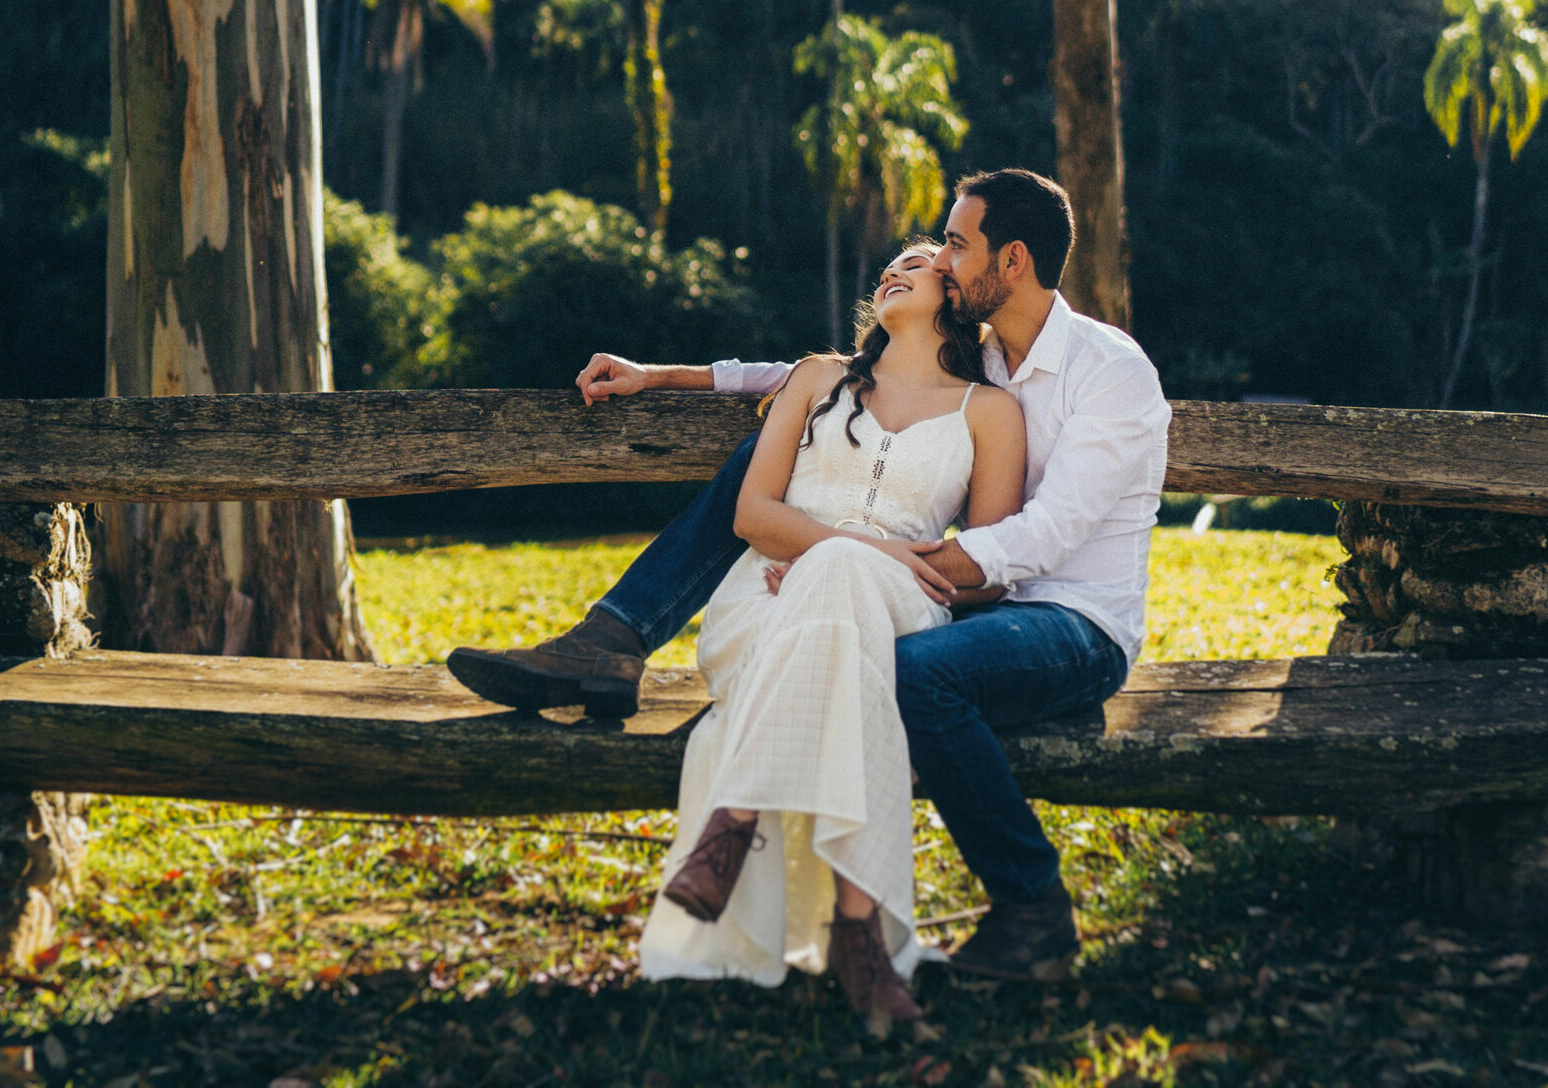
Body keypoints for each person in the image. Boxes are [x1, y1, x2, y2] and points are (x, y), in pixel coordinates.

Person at [446, 168, 1172, 980]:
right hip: (954, 597)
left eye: (957, 246)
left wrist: (845, 559)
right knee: (773, 454)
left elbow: (1050, 532)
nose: (940, 258)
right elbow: (829, 375)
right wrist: (664, 375)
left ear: (1011, 261)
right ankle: (614, 640)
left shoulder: (1111, 371)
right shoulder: (986, 349)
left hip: (1069, 622)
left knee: (909, 677)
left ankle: (1031, 907)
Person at [634, 240, 1025, 1025]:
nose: (893, 270)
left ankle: (732, 822)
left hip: (907, 606)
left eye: (917, 262)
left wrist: (841, 560)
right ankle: (860, 934)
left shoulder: (991, 412)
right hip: (766, 597)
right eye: (890, 264)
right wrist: (843, 551)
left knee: (842, 584)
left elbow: (986, 561)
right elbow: (752, 516)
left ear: (955, 289)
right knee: (841, 594)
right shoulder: (819, 379)